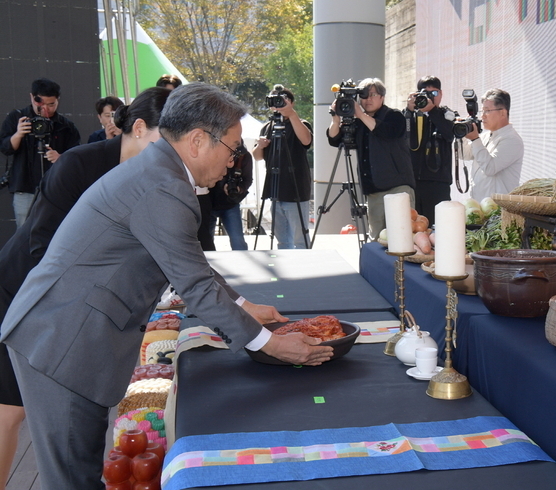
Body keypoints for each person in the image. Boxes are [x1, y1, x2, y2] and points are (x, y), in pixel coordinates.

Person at [0, 83, 333, 489]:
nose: (233, 161)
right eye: (232, 149)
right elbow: (195, 285)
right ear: (197, 141)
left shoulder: (159, 172)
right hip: (65, 341)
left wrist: (244, 306)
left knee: (79, 469)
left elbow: (188, 263)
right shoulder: (164, 186)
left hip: (67, 333)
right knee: (73, 478)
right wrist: (271, 344)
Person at [0, 86, 168, 489]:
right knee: (10, 411)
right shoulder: (80, 163)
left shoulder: (155, 176)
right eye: (168, 140)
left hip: (71, 308)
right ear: (139, 128)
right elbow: (42, 246)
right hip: (23, 291)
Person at [327, 78, 414, 239]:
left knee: (402, 237)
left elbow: (386, 132)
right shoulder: (359, 122)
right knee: (377, 238)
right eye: (364, 95)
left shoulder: (394, 116)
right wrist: (335, 119)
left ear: (382, 97)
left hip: (397, 187)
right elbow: (335, 140)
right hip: (373, 190)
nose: (368, 99)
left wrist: (360, 114)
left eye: (373, 95)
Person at [0, 78, 81, 228]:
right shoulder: (17, 118)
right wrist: (18, 134)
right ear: (32, 97)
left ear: (58, 100)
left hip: (55, 189)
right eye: (40, 104)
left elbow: (76, 157)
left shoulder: (66, 126)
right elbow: (5, 148)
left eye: (51, 104)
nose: (46, 109)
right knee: (25, 231)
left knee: (56, 230)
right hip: (25, 187)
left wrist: (60, 158)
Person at [253, 86, 313, 249]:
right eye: (274, 101)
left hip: (295, 191)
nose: (277, 105)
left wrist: (291, 114)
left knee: (300, 239)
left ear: (291, 103)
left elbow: (306, 141)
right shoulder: (267, 127)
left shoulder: (300, 123)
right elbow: (257, 156)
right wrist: (260, 146)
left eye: (282, 101)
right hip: (275, 191)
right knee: (282, 240)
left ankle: (304, 264)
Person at [403, 76, 456, 226]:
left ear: (441, 94)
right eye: (426, 93)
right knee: (411, 227)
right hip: (413, 182)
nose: (430, 97)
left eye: (434, 93)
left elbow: (449, 134)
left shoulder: (447, 115)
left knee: (438, 227)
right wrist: (408, 111)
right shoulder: (410, 116)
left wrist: (432, 111)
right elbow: (400, 136)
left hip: (438, 183)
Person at [463, 88, 524, 201]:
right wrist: (461, 135)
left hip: (498, 207)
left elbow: (490, 168)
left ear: (502, 113)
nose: (483, 116)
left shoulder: (512, 140)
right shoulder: (485, 136)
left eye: (487, 111)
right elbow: (465, 155)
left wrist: (475, 139)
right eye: (482, 111)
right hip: (479, 204)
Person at [209, 143, 253, 250]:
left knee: (238, 241)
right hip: (209, 201)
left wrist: (238, 188)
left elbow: (247, 179)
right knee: (206, 242)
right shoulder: (212, 150)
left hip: (230, 203)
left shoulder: (244, 156)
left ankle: (242, 260)